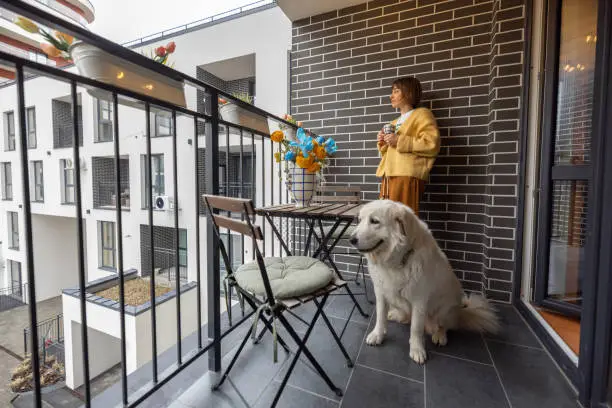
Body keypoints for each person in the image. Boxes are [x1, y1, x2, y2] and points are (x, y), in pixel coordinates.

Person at [376, 77, 440, 216]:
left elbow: (431, 144)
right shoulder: (394, 122)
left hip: (407, 175)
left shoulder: (422, 114)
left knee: (403, 219)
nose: (391, 96)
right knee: (387, 219)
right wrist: (383, 142)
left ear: (409, 93)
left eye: (396, 91)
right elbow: (390, 152)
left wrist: (399, 140)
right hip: (389, 176)